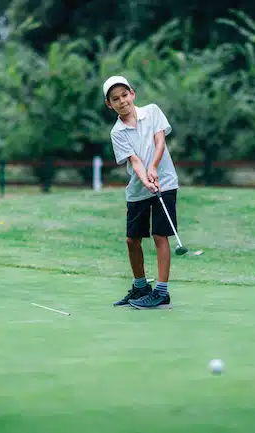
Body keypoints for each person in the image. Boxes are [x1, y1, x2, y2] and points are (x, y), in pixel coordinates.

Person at [103, 76, 180, 309]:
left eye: (124, 95)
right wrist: (145, 178)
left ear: (132, 94)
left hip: (164, 183)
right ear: (110, 105)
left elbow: (160, 143)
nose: (122, 101)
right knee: (132, 239)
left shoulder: (152, 111)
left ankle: (162, 292)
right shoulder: (117, 132)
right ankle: (140, 287)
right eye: (115, 99)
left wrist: (154, 168)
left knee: (159, 235)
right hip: (138, 189)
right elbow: (134, 161)